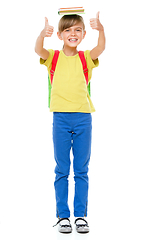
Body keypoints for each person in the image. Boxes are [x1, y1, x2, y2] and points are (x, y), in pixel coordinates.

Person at [35, 12, 105, 234]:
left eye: (77, 30)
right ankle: (63, 216)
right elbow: (38, 50)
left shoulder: (86, 57)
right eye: (67, 30)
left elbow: (100, 49)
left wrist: (101, 30)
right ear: (59, 34)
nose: (72, 34)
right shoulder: (53, 57)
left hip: (84, 117)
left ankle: (80, 216)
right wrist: (41, 34)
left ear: (83, 35)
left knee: (82, 170)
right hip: (60, 119)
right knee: (62, 169)